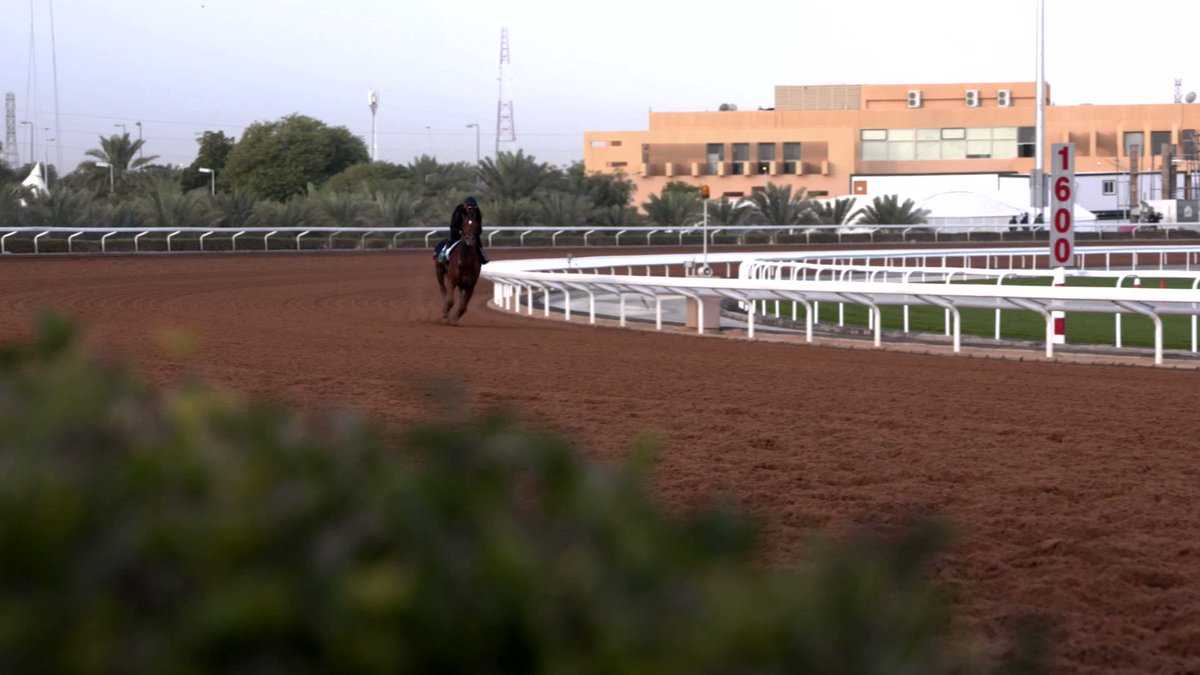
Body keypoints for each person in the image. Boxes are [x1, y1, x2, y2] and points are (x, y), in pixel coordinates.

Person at [434, 196, 489, 264]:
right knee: (451, 241)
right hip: (457, 232)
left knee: (478, 244)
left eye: (473, 208)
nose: (472, 210)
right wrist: (459, 231)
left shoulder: (477, 212)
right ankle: (443, 254)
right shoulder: (458, 210)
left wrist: (474, 233)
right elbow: (453, 225)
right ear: (465, 205)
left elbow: (479, 227)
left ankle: (482, 256)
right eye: (470, 208)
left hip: (472, 233)